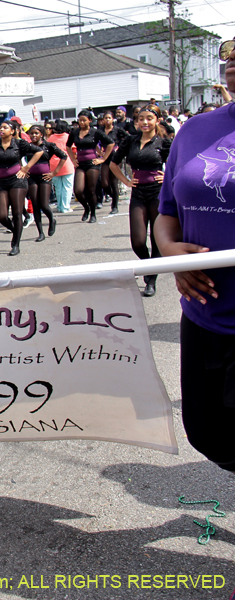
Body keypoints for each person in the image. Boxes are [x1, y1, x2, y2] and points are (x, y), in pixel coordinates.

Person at [153, 40, 235, 472]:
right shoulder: (195, 130)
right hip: (203, 312)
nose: (233, 58)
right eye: (231, 52)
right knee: (208, 432)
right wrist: (170, 253)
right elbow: (167, 214)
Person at [110, 105, 172, 298]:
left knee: (156, 240)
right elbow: (113, 163)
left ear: (157, 121)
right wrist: (127, 181)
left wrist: (168, 176)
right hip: (138, 193)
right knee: (137, 241)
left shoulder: (164, 143)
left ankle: (151, 280)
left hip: (158, 193)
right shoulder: (130, 141)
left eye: (149, 119)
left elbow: (180, 164)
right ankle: (149, 269)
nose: (145, 122)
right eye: (141, 119)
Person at [0, 122, 43, 256]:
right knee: (1, 215)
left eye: (5, 127)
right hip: (1, 181)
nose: (1, 129)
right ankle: (15, 229)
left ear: (12, 131)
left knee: (17, 213)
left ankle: (15, 244)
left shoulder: (19, 143)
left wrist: (26, 167)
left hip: (17, 180)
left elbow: (39, 151)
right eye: (0, 127)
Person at [67, 110, 115, 223]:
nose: (82, 122)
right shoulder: (74, 132)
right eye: (80, 120)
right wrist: (73, 159)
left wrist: (103, 158)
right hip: (80, 163)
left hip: (92, 164)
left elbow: (110, 143)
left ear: (89, 120)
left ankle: (93, 213)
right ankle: (86, 208)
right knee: (78, 190)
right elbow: (68, 146)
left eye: (84, 120)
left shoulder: (95, 132)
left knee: (91, 190)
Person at [24, 125, 66, 242]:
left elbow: (63, 156)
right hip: (32, 177)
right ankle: (40, 233)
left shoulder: (48, 146)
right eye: (31, 133)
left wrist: (54, 172)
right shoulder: (28, 147)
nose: (33, 135)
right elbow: (17, 156)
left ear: (41, 134)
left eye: (36, 133)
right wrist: (23, 169)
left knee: (44, 204)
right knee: (35, 204)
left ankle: (52, 220)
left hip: (45, 177)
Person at [98, 112, 124, 214]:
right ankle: (114, 196)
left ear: (112, 119)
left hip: (115, 157)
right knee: (104, 183)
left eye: (109, 118)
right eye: (106, 118)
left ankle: (115, 206)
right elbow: (94, 140)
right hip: (105, 157)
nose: (107, 120)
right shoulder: (100, 130)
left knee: (114, 182)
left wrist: (120, 149)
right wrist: (99, 150)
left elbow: (128, 138)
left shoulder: (117, 130)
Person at [48, 120, 75, 213]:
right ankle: (65, 207)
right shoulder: (68, 137)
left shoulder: (51, 138)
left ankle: (60, 206)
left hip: (54, 165)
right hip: (67, 164)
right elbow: (74, 150)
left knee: (58, 188)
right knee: (67, 187)